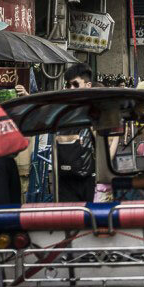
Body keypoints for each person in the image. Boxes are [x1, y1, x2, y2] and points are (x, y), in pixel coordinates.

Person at [56, 63, 97, 202]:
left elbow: (107, 146)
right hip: (65, 181)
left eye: (75, 84)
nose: (71, 89)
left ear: (88, 85)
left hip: (90, 181)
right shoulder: (62, 111)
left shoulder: (97, 111)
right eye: (68, 85)